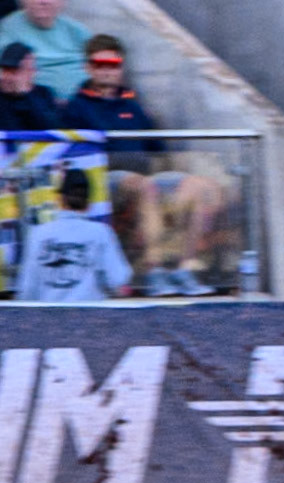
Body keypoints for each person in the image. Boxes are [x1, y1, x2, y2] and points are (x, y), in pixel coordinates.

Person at [62, 35, 223, 297]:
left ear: (121, 67)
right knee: (146, 186)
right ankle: (154, 271)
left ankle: (185, 269)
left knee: (200, 186)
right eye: (99, 64)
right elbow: (74, 158)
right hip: (103, 183)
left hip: (144, 177)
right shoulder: (76, 108)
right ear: (88, 68)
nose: (106, 70)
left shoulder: (133, 106)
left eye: (112, 63)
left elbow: (159, 152)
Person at [14, 171, 131, 301]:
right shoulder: (101, 233)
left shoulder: (38, 234)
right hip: (90, 319)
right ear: (89, 204)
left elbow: (26, 291)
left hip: (47, 318)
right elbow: (118, 280)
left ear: (60, 200)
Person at [0, 0, 88, 100]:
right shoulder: (8, 30)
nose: (44, 1)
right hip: (36, 105)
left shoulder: (76, 30)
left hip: (84, 104)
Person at [0, 40, 57, 128]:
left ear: (32, 72)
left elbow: (51, 128)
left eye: (14, 71)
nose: (8, 77)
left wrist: (25, 96)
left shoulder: (44, 94)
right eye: (5, 70)